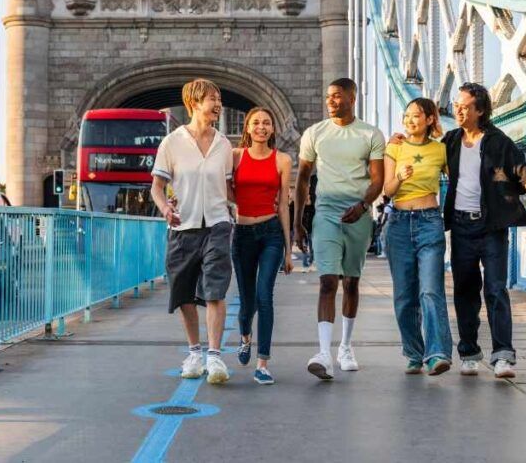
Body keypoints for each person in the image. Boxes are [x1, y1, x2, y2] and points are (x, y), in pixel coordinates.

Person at [389, 83, 526, 379]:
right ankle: (468, 352)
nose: (458, 110)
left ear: (480, 110)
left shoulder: (498, 142)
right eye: (457, 105)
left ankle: (503, 355)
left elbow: (523, 172)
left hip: (491, 226)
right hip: (461, 224)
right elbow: (424, 149)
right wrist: (403, 139)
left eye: (464, 106)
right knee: (465, 292)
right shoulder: (449, 141)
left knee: (495, 289)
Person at [294, 78, 385, 380]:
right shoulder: (314, 133)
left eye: (337, 96)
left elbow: (377, 180)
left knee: (352, 283)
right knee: (328, 281)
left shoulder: (370, 134)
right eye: (328, 97)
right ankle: (323, 352)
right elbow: (304, 178)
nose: (330, 101)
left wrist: (361, 206)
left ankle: (345, 346)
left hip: (358, 210)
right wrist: (298, 223)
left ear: (352, 98)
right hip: (327, 211)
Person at [150, 79, 235, 385]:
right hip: (182, 226)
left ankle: (214, 356)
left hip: (217, 224)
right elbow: (156, 188)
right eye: (213, 98)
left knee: (215, 289)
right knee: (184, 291)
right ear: (195, 103)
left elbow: (228, 188)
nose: (218, 104)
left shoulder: (223, 144)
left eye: (220, 98)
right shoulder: (171, 143)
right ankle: (194, 352)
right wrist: (165, 209)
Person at [381, 98, 453, 376]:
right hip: (399, 224)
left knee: (431, 290)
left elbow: (463, 177)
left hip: (429, 221)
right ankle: (413, 352)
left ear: (431, 119)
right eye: (407, 116)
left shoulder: (441, 150)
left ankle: (436, 354)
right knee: (404, 296)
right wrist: (399, 176)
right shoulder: (395, 146)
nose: (411, 121)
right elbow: (388, 190)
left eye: (417, 116)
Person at [231, 107, 294, 385]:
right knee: (247, 302)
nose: (261, 127)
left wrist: (289, 250)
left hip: (270, 233)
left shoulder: (282, 159)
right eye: (256, 122)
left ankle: (263, 363)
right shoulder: (235, 156)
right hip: (242, 232)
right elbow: (219, 183)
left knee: (264, 296)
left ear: (272, 129)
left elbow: (283, 205)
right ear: (247, 127)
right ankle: (245, 337)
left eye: (266, 123)